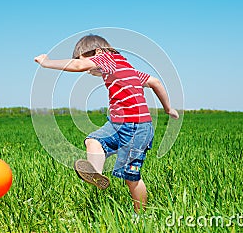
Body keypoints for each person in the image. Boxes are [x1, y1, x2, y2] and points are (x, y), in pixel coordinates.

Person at [34, 34, 179, 213]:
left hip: (137, 128)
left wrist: (47, 62)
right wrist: (168, 108)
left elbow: (79, 66)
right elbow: (155, 82)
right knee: (93, 141)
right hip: (117, 124)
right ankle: (96, 174)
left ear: (99, 51)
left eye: (87, 59)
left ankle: (140, 215)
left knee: (131, 177)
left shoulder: (106, 57)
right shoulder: (125, 67)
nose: (88, 66)